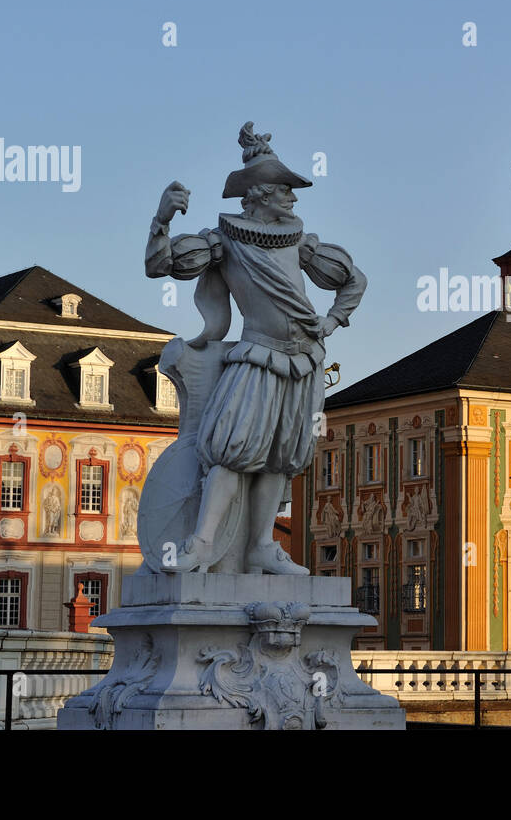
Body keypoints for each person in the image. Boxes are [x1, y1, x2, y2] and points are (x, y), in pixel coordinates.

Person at [144, 123, 365, 573]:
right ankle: (202, 543)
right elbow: (159, 265)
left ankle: (261, 546)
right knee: (232, 447)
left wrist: (331, 321)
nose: (293, 198)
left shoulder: (299, 242)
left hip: (305, 361)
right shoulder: (224, 240)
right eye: (285, 189)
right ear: (261, 194)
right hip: (258, 356)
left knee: (281, 457)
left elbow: (354, 280)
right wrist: (162, 220)